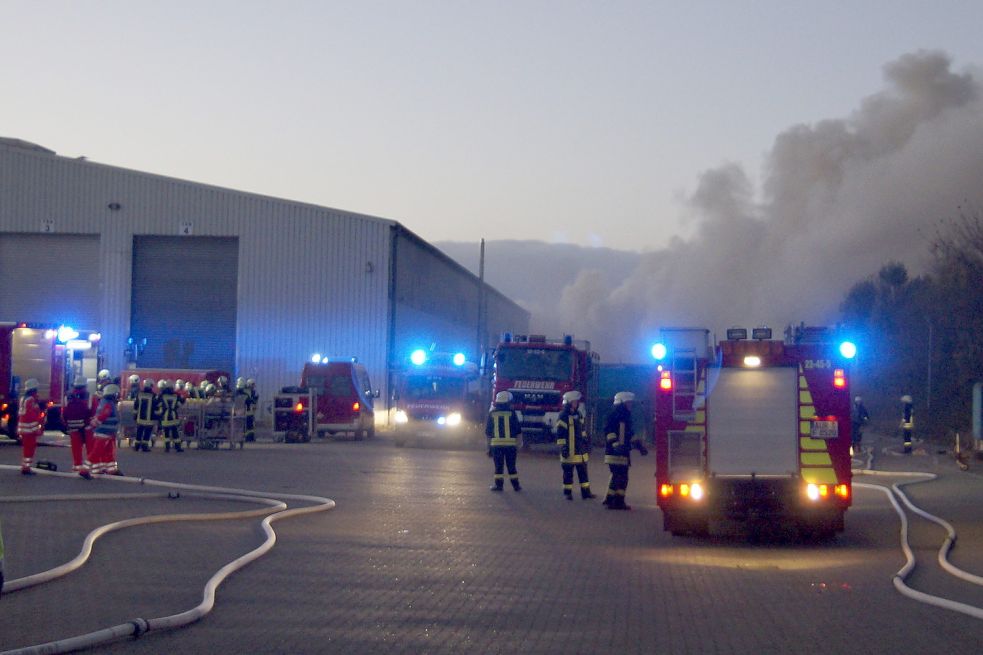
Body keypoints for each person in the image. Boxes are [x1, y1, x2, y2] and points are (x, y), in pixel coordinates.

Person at [603, 392, 648, 510]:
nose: (630, 405)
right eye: (628, 403)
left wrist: (639, 446)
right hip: (615, 453)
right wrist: (616, 445)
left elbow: (629, 435)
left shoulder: (625, 416)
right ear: (622, 403)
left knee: (618, 476)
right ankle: (617, 501)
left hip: (622, 453)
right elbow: (609, 432)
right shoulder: (615, 416)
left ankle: (611, 499)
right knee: (620, 477)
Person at [555, 390, 595, 500]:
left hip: (580, 451)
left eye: (576, 402)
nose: (576, 404)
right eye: (574, 402)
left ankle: (586, 493)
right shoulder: (563, 416)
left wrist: (586, 441)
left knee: (583, 474)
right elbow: (560, 434)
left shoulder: (578, 414)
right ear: (568, 403)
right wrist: (563, 447)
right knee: (568, 474)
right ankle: (567, 493)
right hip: (569, 451)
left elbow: (582, 431)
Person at [485, 391, 522, 491]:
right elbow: (518, 430)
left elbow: (488, 432)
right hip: (510, 446)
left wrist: (488, 448)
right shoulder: (512, 413)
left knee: (498, 467)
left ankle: (499, 486)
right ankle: (516, 486)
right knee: (512, 467)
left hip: (496, 446)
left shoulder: (492, 414)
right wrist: (519, 444)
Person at [62, 378, 94, 478]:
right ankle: (90, 467)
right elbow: (93, 410)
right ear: (85, 386)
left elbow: (64, 411)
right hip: (87, 425)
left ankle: (77, 466)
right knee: (90, 447)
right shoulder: (90, 397)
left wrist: (66, 424)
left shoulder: (67, 396)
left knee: (76, 447)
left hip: (72, 426)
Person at [89, 384, 123, 475]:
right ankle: (86, 468)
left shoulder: (104, 402)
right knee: (98, 451)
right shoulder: (108, 404)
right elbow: (103, 416)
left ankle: (109, 469)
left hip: (106, 432)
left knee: (107, 451)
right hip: (105, 432)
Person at [16, 378, 44, 475]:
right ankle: (26, 468)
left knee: (26, 449)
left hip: (23, 428)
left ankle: (25, 466)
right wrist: (36, 429)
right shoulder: (31, 400)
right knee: (29, 449)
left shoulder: (23, 398)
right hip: (29, 429)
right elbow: (31, 416)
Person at [158, 380, 185, 452]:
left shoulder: (162, 395)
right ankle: (178, 447)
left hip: (165, 415)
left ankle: (167, 447)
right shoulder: (176, 395)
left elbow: (158, 404)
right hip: (173, 415)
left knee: (166, 432)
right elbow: (181, 402)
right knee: (175, 432)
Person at [133, 378, 158, 452]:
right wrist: (156, 416)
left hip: (140, 417)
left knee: (139, 431)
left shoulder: (139, 394)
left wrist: (135, 415)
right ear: (151, 386)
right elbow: (155, 407)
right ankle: (144, 446)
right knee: (147, 433)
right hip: (149, 418)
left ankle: (137, 446)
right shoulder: (153, 395)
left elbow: (136, 405)